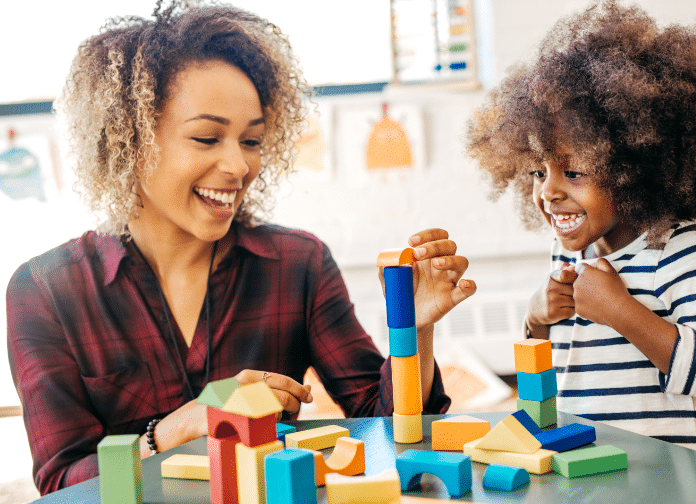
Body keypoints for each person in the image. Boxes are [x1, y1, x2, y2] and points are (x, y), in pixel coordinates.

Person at [5, 1, 476, 495]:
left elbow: (385, 426)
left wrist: (414, 330)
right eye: (207, 138)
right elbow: (61, 481)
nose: (238, 166)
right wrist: (182, 425)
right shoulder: (45, 292)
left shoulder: (298, 264)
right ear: (129, 138)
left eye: (251, 141)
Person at [466, 0, 696, 454]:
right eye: (538, 172)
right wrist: (535, 320)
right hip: (583, 477)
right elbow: (554, 385)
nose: (549, 192)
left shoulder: (682, 249)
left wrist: (622, 312)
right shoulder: (568, 252)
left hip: (668, 486)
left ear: (634, 169)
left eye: (574, 172)